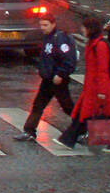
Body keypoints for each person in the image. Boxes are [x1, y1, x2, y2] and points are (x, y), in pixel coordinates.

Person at [57, 15, 110, 152]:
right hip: (92, 88)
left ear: (90, 29)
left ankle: (68, 139)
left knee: (93, 115)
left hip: (97, 88)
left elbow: (103, 70)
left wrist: (102, 92)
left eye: (84, 28)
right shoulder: (93, 44)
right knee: (97, 115)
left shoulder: (99, 46)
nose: (82, 30)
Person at [13, 11, 77, 141]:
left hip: (58, 80)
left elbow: (69, 60)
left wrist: (61, 74)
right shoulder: (48, 38)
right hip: (48, 79)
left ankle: (82, 128)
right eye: (41, 25)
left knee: (67, 106)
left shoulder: (60, 39)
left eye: (45, 25)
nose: (43, 28)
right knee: (38, 105)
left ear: (53, 24)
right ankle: (29, 131)